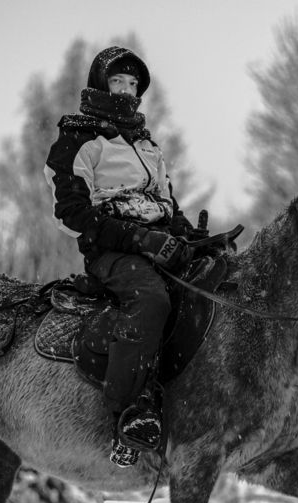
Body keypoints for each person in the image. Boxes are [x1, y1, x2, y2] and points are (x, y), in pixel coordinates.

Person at [45, 45, 199, 465]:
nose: (127, 91)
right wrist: (139, 240)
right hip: (111, 252)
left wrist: (194, 239)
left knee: (210, 282)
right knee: (151, 298)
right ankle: (128, 417)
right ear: (100, 84)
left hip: (157, 243)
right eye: (118, 82)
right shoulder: (78, 137)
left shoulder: (146, 143)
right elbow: (71, 212)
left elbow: (168, 203)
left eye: (133, 84)